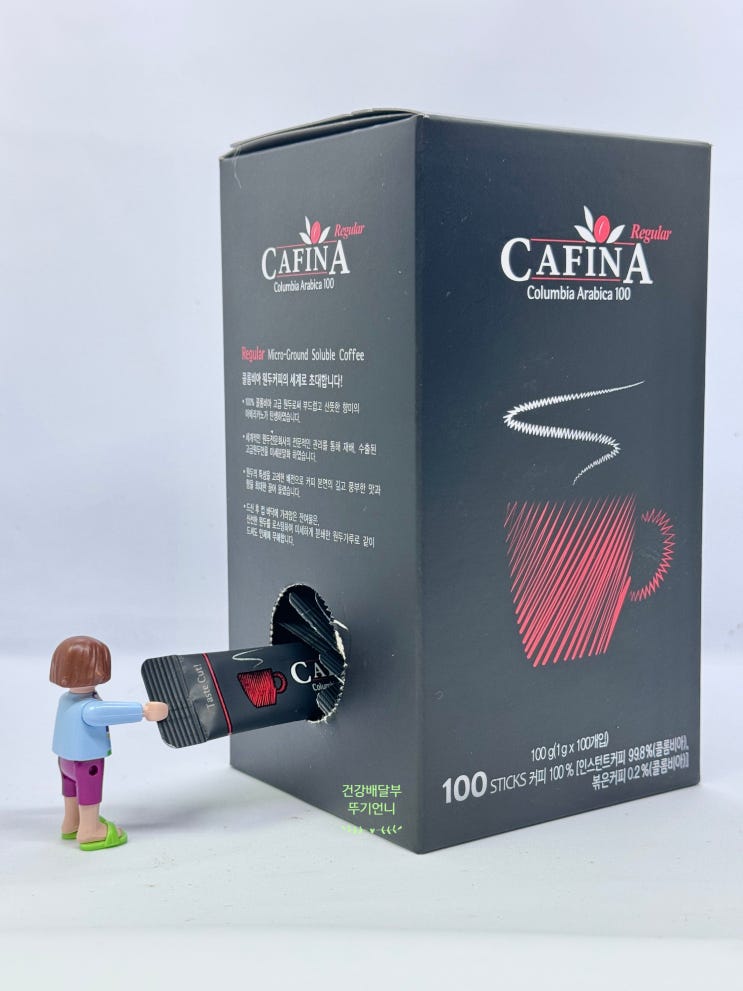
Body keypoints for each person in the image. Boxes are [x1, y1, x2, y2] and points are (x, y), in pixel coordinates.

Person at [50, 635, 168, 851]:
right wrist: (144, 711)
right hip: (86, 761)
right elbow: (108, 712)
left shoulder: (66, 699)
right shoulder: (89, 707)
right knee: (89, 793)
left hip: (64, 760)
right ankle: (90, 830)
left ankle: (71, 822)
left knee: (71, 791)